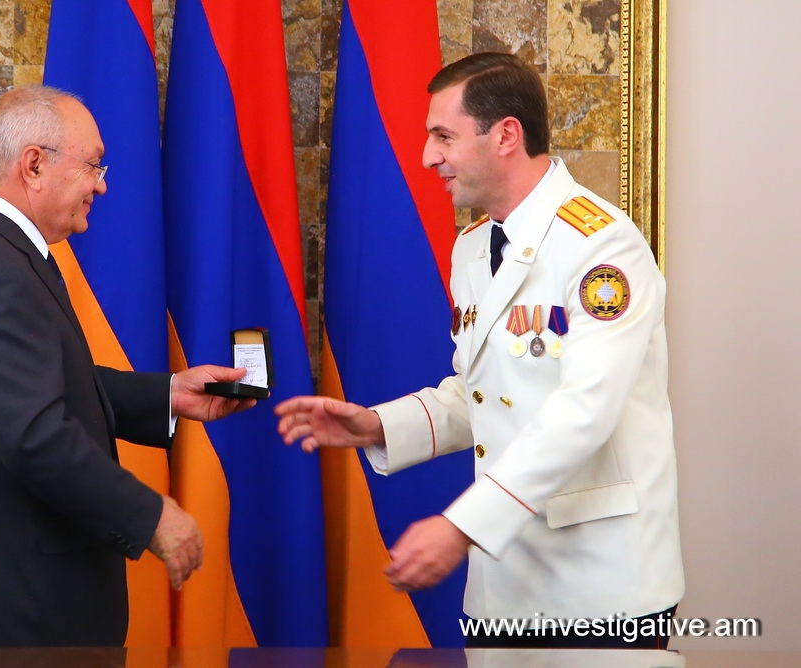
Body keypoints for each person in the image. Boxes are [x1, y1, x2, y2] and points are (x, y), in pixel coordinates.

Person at [276, 52, 684, 649]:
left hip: (600, 584)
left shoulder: (601, 247)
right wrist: (376, 426)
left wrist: (461, 526)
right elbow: (482, 392)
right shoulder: (472, 247)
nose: (427, 157)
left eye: (444, 136)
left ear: (506, 136)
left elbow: (585, 410)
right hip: (501, 586)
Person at [0, 86, 257, 649]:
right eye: (93, 165)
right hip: (11, 617)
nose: (101, 185)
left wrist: (166, 396)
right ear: (34, 164)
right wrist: (151, 515)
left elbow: (26, 387)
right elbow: (34, 434)